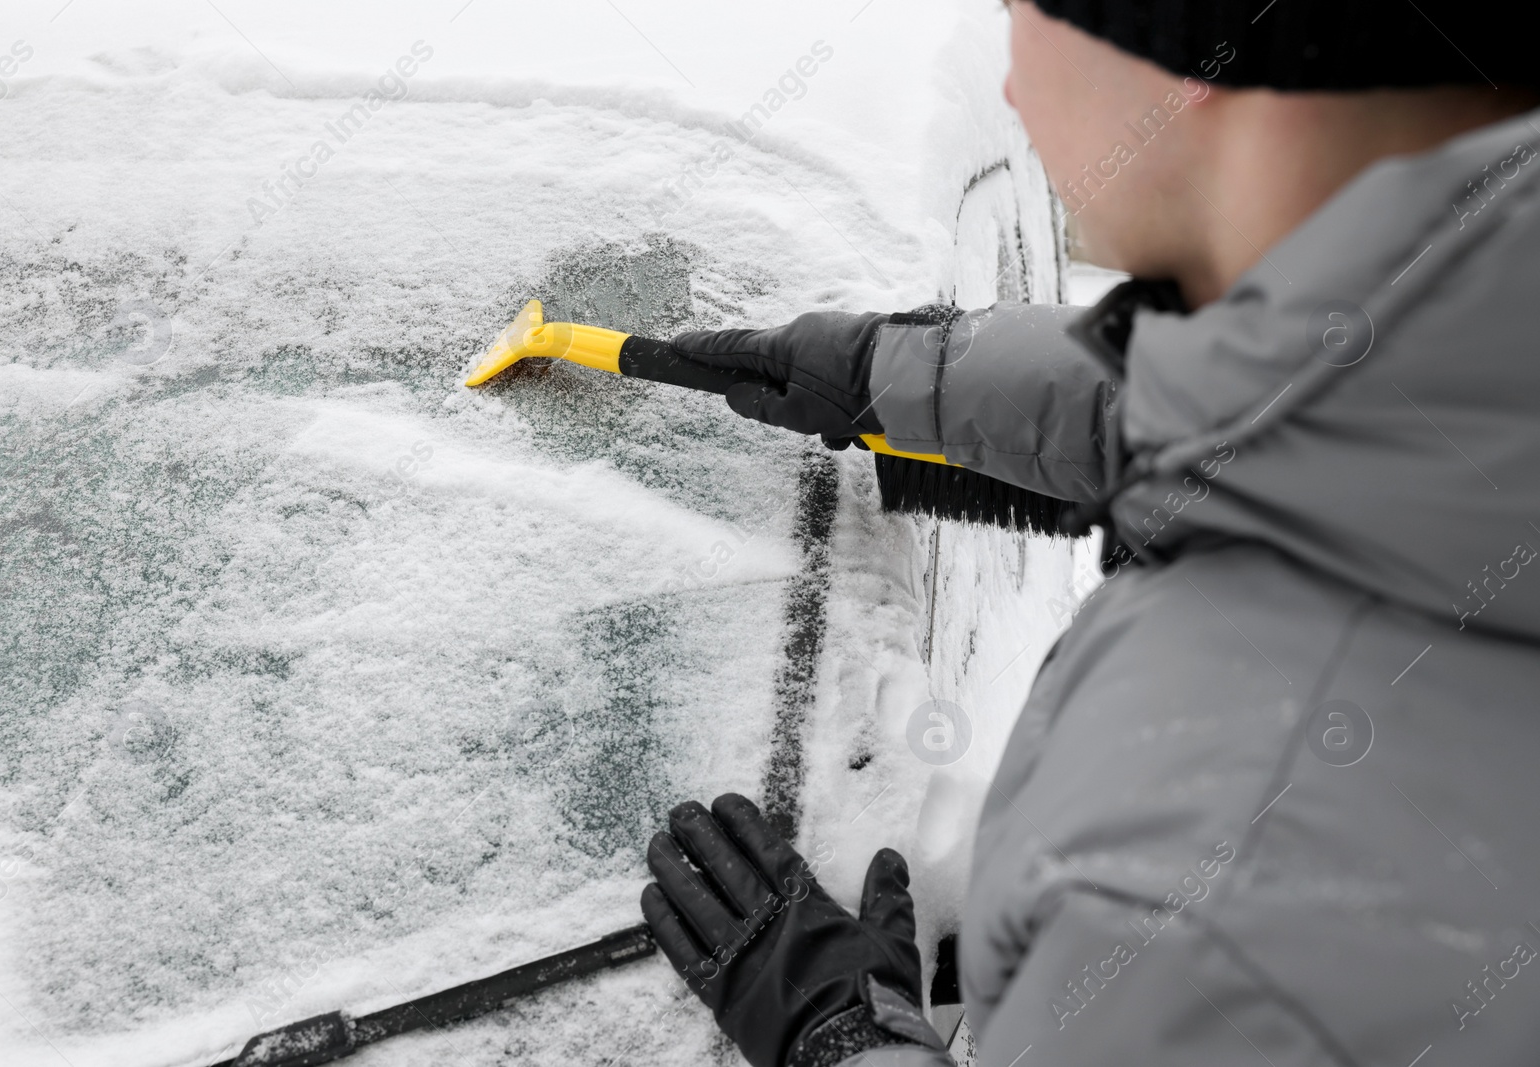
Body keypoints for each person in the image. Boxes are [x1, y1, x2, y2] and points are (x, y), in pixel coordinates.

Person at [638, 2, 1540, 1065]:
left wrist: (843, 1036)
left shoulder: (1184, 906)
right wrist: (891, 371)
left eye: (1023, 13)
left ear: (1188, 68)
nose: (1010, 89)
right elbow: (1273, 404)